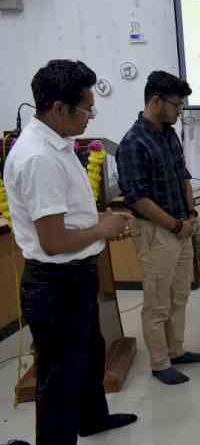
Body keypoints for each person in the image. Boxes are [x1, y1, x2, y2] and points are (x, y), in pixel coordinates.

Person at [3, 60, 137, 444]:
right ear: (59, 108)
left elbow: (66, 214)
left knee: (90, 353)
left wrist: (98, 219)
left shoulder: (57, 144)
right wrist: (101, 228)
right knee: (59, 378)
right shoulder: (38, 157)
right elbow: (54, 241)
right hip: (55, 282)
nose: (90, 117)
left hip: (75, 276)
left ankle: (92, 418)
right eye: (86, 109)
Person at [117, 71, 200, 386]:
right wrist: (175, 224)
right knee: (157, 299)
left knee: (179, 293)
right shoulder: (132, 142)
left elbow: (184, 176)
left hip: (182, 227)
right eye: (176, 104)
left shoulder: (169, 134)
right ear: (156, 100)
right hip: (156, 232)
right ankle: (159, 363)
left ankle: (176, 350)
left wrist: (192, 213)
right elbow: (137, 197)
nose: (180, 110)